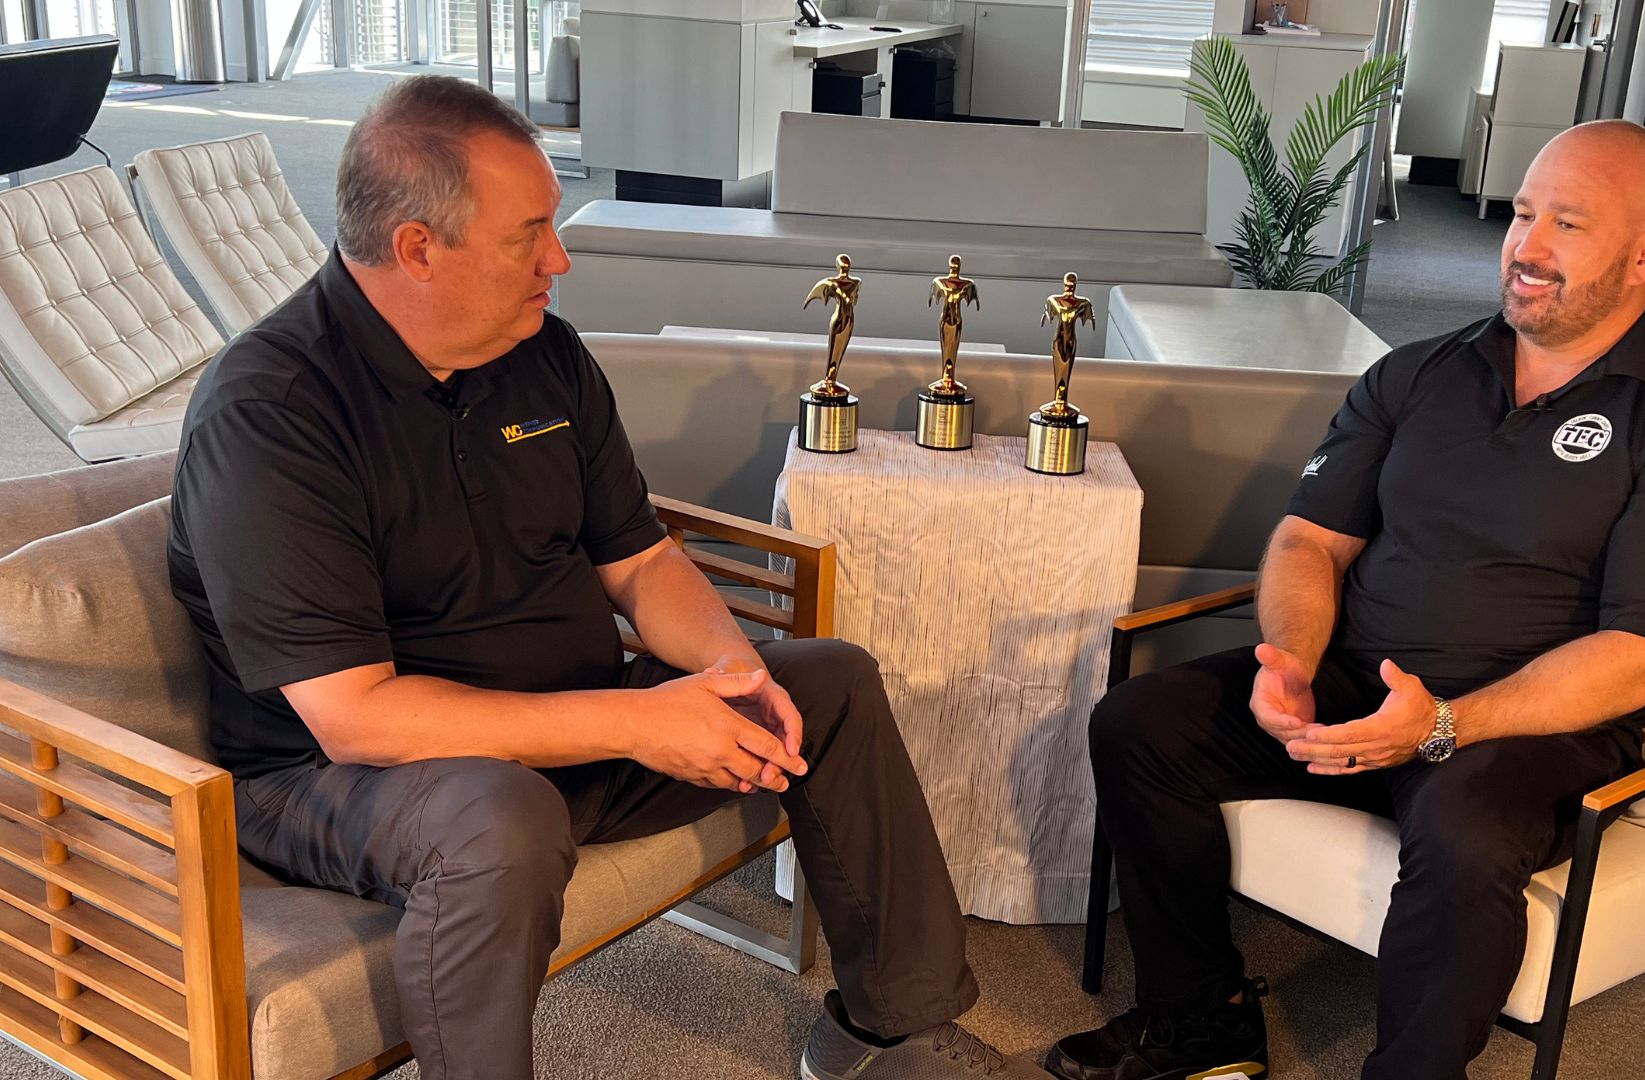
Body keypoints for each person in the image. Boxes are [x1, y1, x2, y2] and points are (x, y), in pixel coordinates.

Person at [167, 75, 1047, 1080]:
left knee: (829, 681)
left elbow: (641, 559)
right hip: (343, 779)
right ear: (417, 248)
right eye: (529, 235)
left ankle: (889, 1030)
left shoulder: (541, 352)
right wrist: (638, 721)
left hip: (571, 725)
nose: (560, 258)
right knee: (500, 815)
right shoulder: (272, 413)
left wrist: (728, 676)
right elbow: (355, 719)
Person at [1044, 120, 1645, 1080]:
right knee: (1140, 722)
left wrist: (1441, 726)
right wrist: (1291, 662)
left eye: (1568, 224)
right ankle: (1200, 1019)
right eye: (1522, 214)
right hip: (1357, 680)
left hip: (1529, 732)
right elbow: (1310, 540)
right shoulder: (1419, 373)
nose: (1527, 246)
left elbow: (1640, 657)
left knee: (1467, 829)